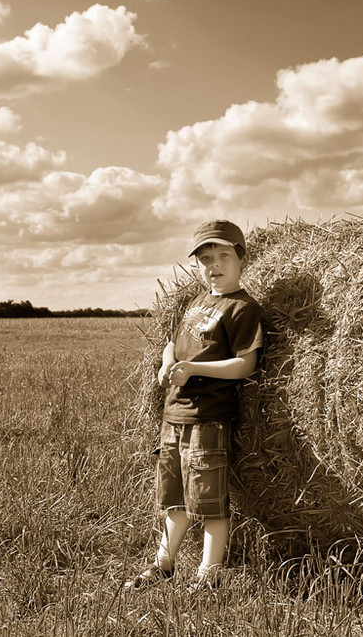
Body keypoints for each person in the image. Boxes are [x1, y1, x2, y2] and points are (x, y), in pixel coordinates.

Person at [127, 219, 263, 592]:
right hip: (174, 416)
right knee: (174, 500)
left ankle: (208, 574)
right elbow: (174, 342)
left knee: (209, 502)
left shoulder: (242, 308)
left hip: (209, 418)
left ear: (241, 259)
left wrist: (194, 369)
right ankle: (163, 563)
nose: (213, 265)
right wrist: (167, 362)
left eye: (222, 256)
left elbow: (246, 363)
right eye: (205, 258)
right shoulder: (198, 300)